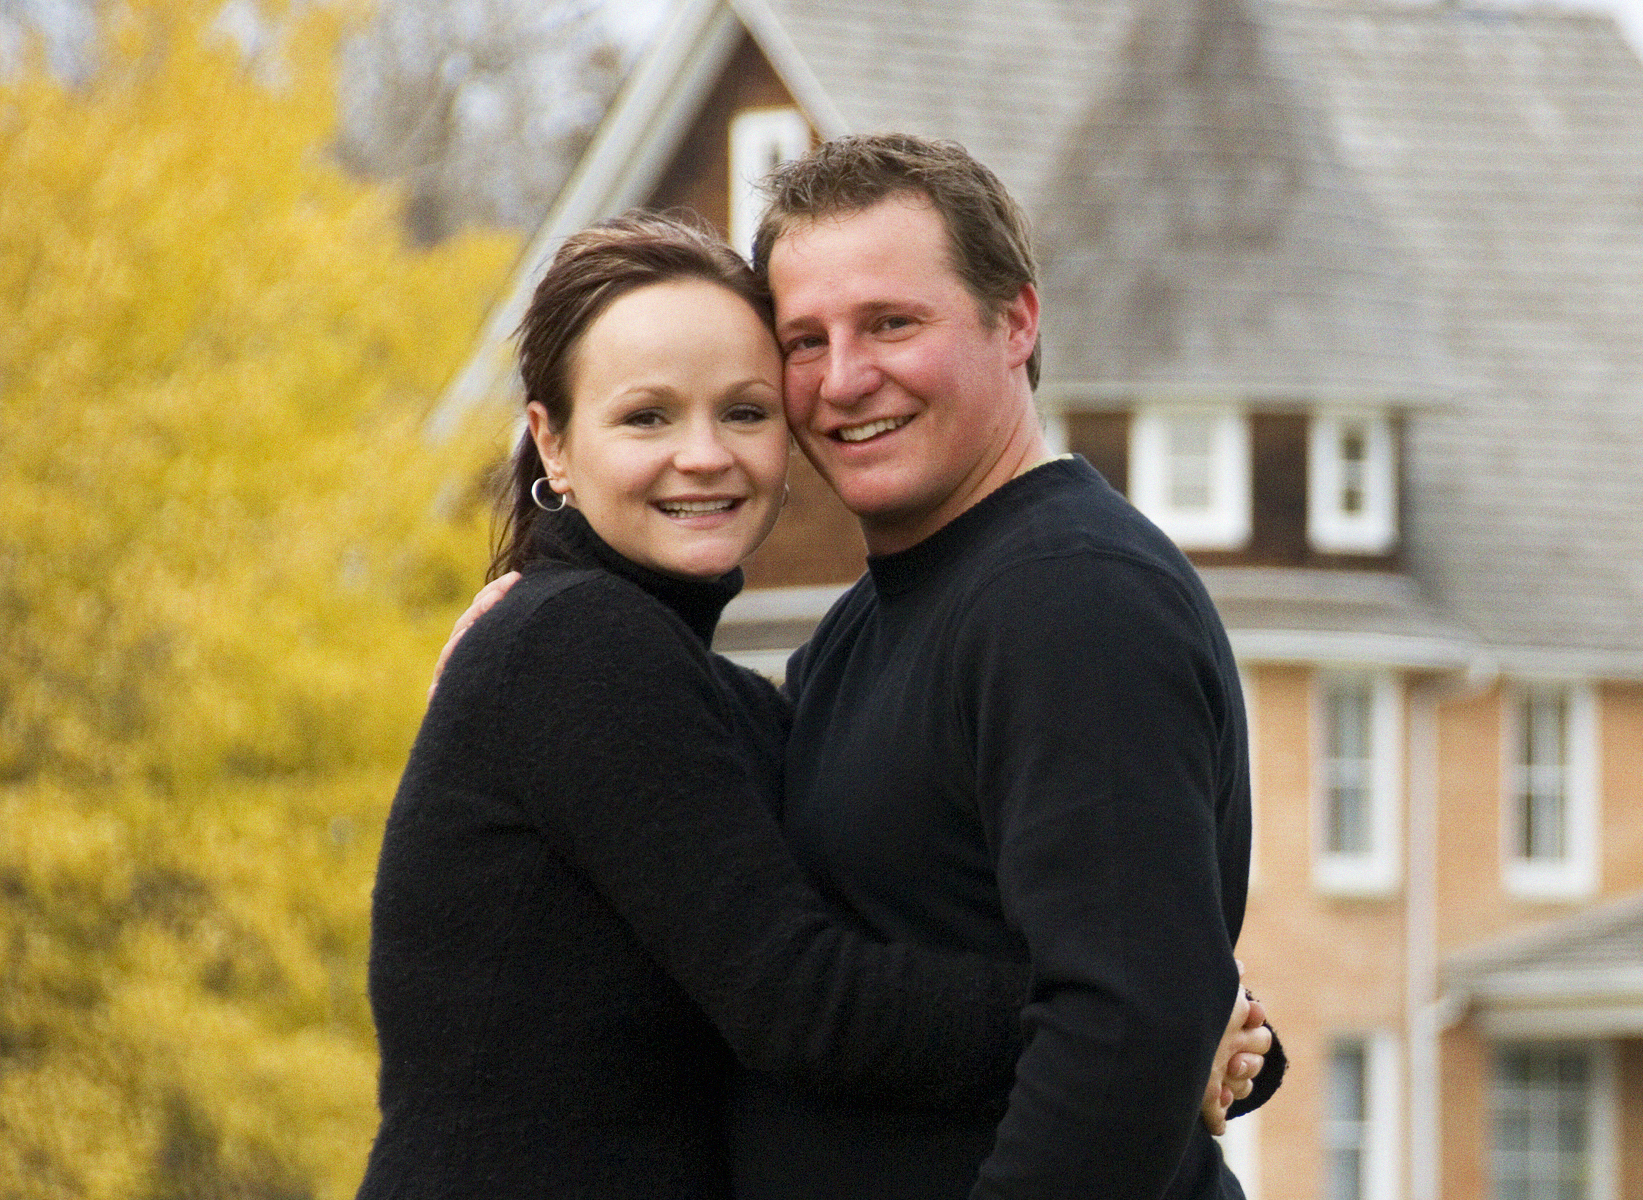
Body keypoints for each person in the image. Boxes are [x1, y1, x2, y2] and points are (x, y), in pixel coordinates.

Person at [364, 214, 1265, 1199]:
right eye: (646, 418)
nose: (704, 455)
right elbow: (800, 999)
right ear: (553, 442)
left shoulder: (732, 692)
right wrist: (1144, 1014)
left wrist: (1172, 1015)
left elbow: (896, 920)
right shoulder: (580, 647)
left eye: (744, 413)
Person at [731, 134, 1274, 1200]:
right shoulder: (869, 627)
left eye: (892, 323)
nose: (845, 378)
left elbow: (1127, 1027)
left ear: (1016, 321)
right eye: (805, 340)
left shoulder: (1073, 599)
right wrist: (556, 613)